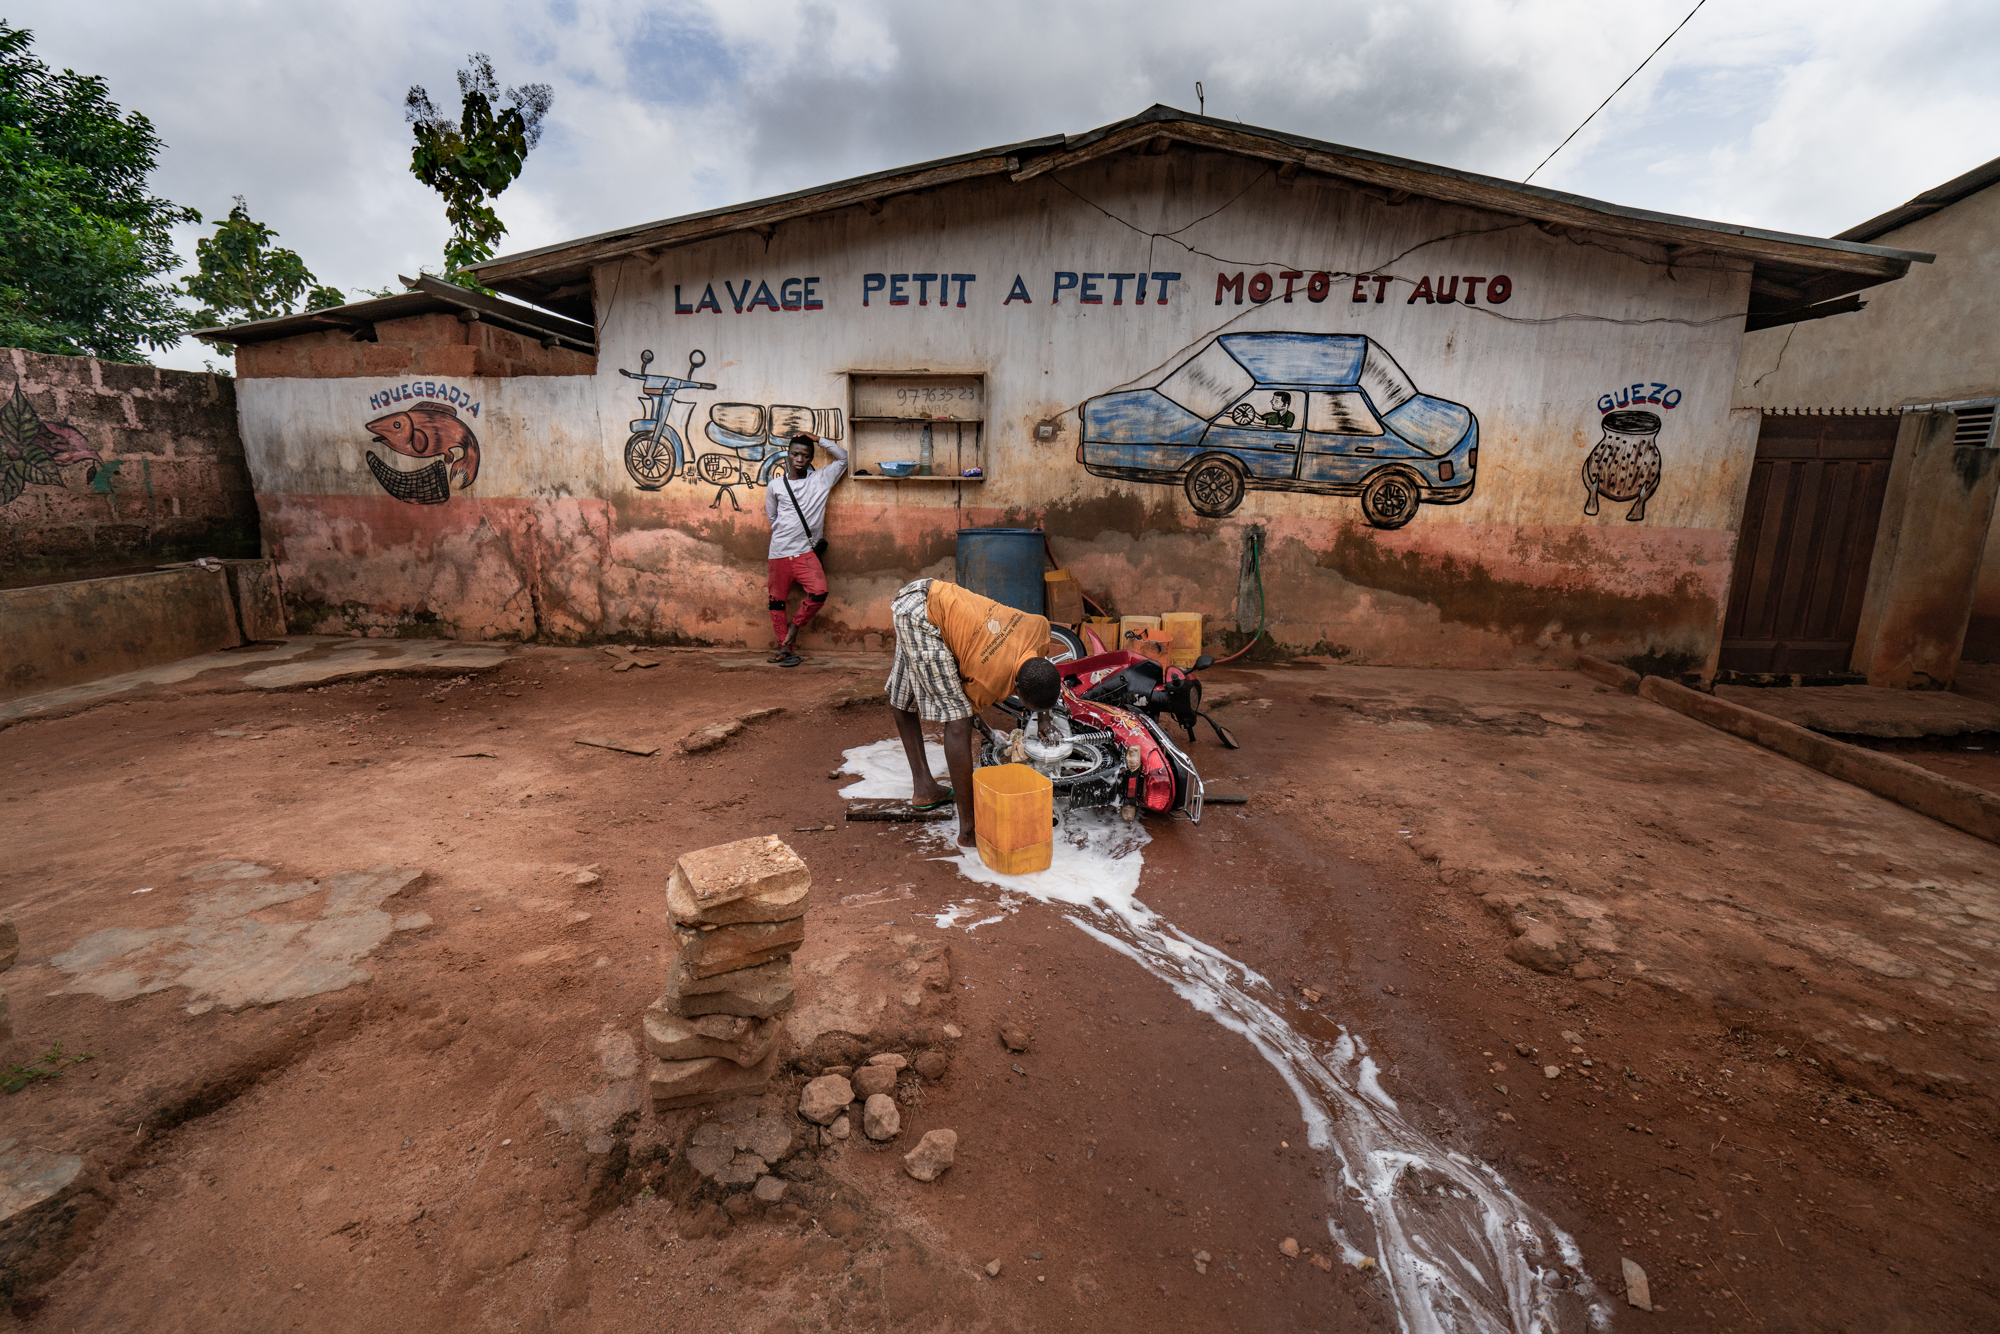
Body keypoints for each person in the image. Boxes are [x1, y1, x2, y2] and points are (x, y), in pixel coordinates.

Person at [885, 578, 1062, 848]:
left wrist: (1044, 717)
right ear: (1015, 687)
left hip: (930, 593)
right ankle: (968, 830)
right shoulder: (988, 678)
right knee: (958, 722)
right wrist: (991, 734)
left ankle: (924, 789)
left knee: (906, 694)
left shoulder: (1038, 628)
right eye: (1029, 708)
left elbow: (1042, 667)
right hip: (921, 618)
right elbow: (965, 714)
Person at [765, 431, 846, 666]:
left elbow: (843, 458)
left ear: (811, 458)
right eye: (795, 454)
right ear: (787, 456)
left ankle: (794, 627)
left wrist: (817, 439)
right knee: (776, 601)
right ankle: (785, 647)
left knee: (819, 592)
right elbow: (773, 517)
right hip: (779, 552)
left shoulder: (821, 479)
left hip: (805, 552)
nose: (799, 459)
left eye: (805, 455)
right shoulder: (775, 486)